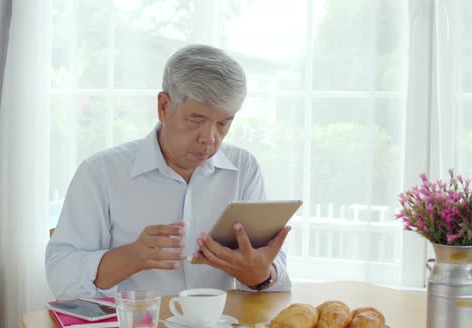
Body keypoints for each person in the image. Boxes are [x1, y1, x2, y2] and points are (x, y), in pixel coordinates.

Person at [45, 44, 292, 299]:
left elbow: (274, 276)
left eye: (223, 123)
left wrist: (261, 276)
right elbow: (60, 277)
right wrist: (132, 257)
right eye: (196, 120)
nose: (209, 138)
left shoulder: (244, 169)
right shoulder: (101, 173)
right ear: (164, 106)